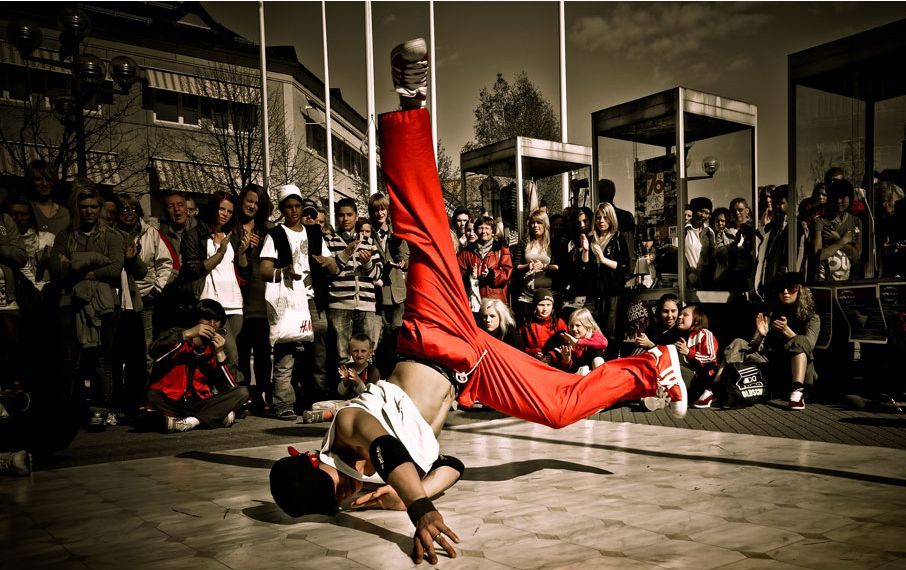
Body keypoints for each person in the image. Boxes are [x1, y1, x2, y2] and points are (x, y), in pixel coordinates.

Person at [269, 39, 690, 565]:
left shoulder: (347, 429)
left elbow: (386, 448)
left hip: (432, 334)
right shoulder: (367, 487)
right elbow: (452, 465)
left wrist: (418, 510)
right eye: (337, 501)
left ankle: (411, 100)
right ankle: (654, 368)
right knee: (559, 408)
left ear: (317, 460)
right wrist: (409, 494)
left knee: (423, 230)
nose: (345, 494)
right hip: (473, 369)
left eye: (334, 487)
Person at [48, 179, 125, 430]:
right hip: (71, 302)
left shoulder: (111, 236)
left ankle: (101, 408)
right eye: (84, 207)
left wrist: (79, 266)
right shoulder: (66, 236)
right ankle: (70, 409)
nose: (89, 211)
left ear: (100, 208)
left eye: (93, 206)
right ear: (76, 208)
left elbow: (114, 268)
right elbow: (57, 267)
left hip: (104, 305)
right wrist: (93, 260)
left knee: (102, 360)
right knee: (70, 360)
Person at [259, 184, 334, 421]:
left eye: (297, 206)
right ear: (281, 209)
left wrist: (328, 262)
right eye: (288, 206)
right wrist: (283, 272)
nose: (293, 211)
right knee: (285, 353)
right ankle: (283, 403)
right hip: (289, 301)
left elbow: (333, 266)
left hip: (313, 300)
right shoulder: (275, 234)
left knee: (318, 355)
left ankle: (316, 399)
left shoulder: (314, 233)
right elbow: (264, 269)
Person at [698, 272, 818, 410]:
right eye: (781, 288)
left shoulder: (812, 318)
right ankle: (712, 390)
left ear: (800, 290)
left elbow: (808, 346)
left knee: (800, 340)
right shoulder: (771, 313)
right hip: (770, 368)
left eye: (791, 288)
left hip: (794, 372)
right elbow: (753, 346)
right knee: (738, 343)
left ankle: (797, 392)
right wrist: (761, 335)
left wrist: (786, 330)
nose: (785, 292)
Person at [145, 299, 248, 432]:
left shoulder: (216, 347)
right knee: (150, 399)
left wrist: (220, 353)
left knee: (242, 393)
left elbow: (231, 387)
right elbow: (154, 353)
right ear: (196, 320)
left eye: (217, 320)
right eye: (207, 319)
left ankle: (190, 422)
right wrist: (186, 334)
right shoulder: (178, 334)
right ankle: (213, 417)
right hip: (170, 399)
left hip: (199, 402)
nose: (212, 324)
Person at [178, 190, 249, 371]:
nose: (225, 214)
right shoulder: (195, 235)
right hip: (212, 302)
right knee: (231, 354)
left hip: (234, 301)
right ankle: (230, 387)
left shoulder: (232, 235)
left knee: (221, 353)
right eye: (221, 209)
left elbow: (242, 269)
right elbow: (193, 269)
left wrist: (242, 253)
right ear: (213, 208)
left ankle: (214, 385)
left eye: (230, 211)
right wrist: (220, 253)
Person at [325, 197, 383, 364]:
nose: (345, 219)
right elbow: (328, 273)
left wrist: (367, 264)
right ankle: (344, 382)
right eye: (341, 215)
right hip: (339, 306)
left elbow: (378, 274)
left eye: (349, 214)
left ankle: (364, 382)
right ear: (336, 217)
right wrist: (345, 254)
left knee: (365, 357)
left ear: (356, 217)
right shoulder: (329, 242)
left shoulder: (368, 242)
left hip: (366, 306)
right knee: (342, 356)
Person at [234, 183, 273, 411]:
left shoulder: (267, 230)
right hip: (236, 299)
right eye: (249, 201)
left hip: (259, 298)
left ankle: (263, 396)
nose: (252, 206)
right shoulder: (232, 227)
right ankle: (243, 397)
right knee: (240, 351)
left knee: (262, 353)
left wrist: (261, 246)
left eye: (257, 203)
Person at [369, 192, 409, 375]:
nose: (380, 213)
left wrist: (402, 262)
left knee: (395, 336)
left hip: (396, 293)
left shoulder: (396, 232)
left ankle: (395, 374)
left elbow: (406, 259)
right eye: (376, 210)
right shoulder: (367, 232)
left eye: (383, 209)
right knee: (378, 339)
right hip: (376, 294)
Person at [588, 202, 630, 349]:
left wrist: (603, 259)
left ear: (611, 218)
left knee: (610, 332)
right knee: (594, 332)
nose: (601, 221)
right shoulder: (592, 239)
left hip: (612, 292)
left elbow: (624, 267)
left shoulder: (617, 238)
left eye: (605, 217)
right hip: (595, 293)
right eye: (598, 217)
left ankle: (611, 359)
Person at [457, 215, 513, 309]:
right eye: (480, 228)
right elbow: (459, 273)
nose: (483, 231)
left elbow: (507, 272)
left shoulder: (501, 249)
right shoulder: (466, 252)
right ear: (476, 231)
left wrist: (491, 274)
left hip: (496, 300)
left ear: (493, 231)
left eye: (487, 228)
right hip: (474, 299)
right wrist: (470, 276)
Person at [813, 178, 862, 282]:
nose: (839, 201)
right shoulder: (820, 221)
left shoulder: (856, 222)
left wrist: (837, 239)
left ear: (850, 197)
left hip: (850, 280)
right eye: (835, 197)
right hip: (825, 279)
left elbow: (856, 256)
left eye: (842, 197)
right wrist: (843, 241)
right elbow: (819, 255)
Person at [674, 304, 719, 391]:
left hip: (703, 380)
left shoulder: (704, 333)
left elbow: (711, 358)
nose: (679, 317)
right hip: (689, 378)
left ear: (696, 321)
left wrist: (689, 352)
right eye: (680, 314)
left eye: (685, 315)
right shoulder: (680, 336)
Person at [550, 308, 608, 373]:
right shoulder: (569, 340)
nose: (574, 329)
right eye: (571, 326)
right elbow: (566, 369)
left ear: (587, 325)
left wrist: (578, 342)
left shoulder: (594, 335)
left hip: (593, 370)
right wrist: (567, 360)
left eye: (578, 325)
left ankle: (599, 375)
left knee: (597, 353)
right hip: (577, 372)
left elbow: (603, 343)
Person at [27, 160, 70, 236]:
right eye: (38, 179)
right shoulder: (26, 209)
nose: (44, 183)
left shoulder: (66, 214)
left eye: (48, 179)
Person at [337, 333, 382, 398]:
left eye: (363, 351)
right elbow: (340, 393)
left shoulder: (373, 372)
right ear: (349, 352)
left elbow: (371, 396)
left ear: (370, 352)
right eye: (355, 351)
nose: (359, 355)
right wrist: (345, 382)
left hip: (363, 403)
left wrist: (358, 381)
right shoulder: (347, 368)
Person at [685, 197, 715, 289]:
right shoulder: (684, 230)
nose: (703, 215)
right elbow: (677, 253)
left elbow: (712, 257)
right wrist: (688, 272)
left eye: (706, 213)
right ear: (694, 210)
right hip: (688, 281)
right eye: (701, 211)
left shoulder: (709, 232)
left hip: (706, 282)